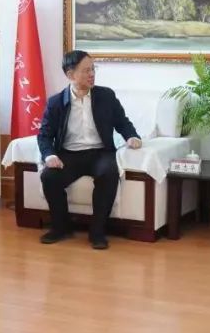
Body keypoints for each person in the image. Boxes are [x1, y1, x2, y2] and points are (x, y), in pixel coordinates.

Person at [37, 50, 142, 250]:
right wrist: (49, 155)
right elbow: (44, 135)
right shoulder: (56, 102)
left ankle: (98, 232)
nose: (92, 74)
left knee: (108, 173)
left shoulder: (106, 96)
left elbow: (122, 121)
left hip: (100, 153)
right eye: (86, 70)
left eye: (93, 69)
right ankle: (61, 227)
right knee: (49, 177)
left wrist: (132, 136)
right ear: (70, 74)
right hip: (69, 155)